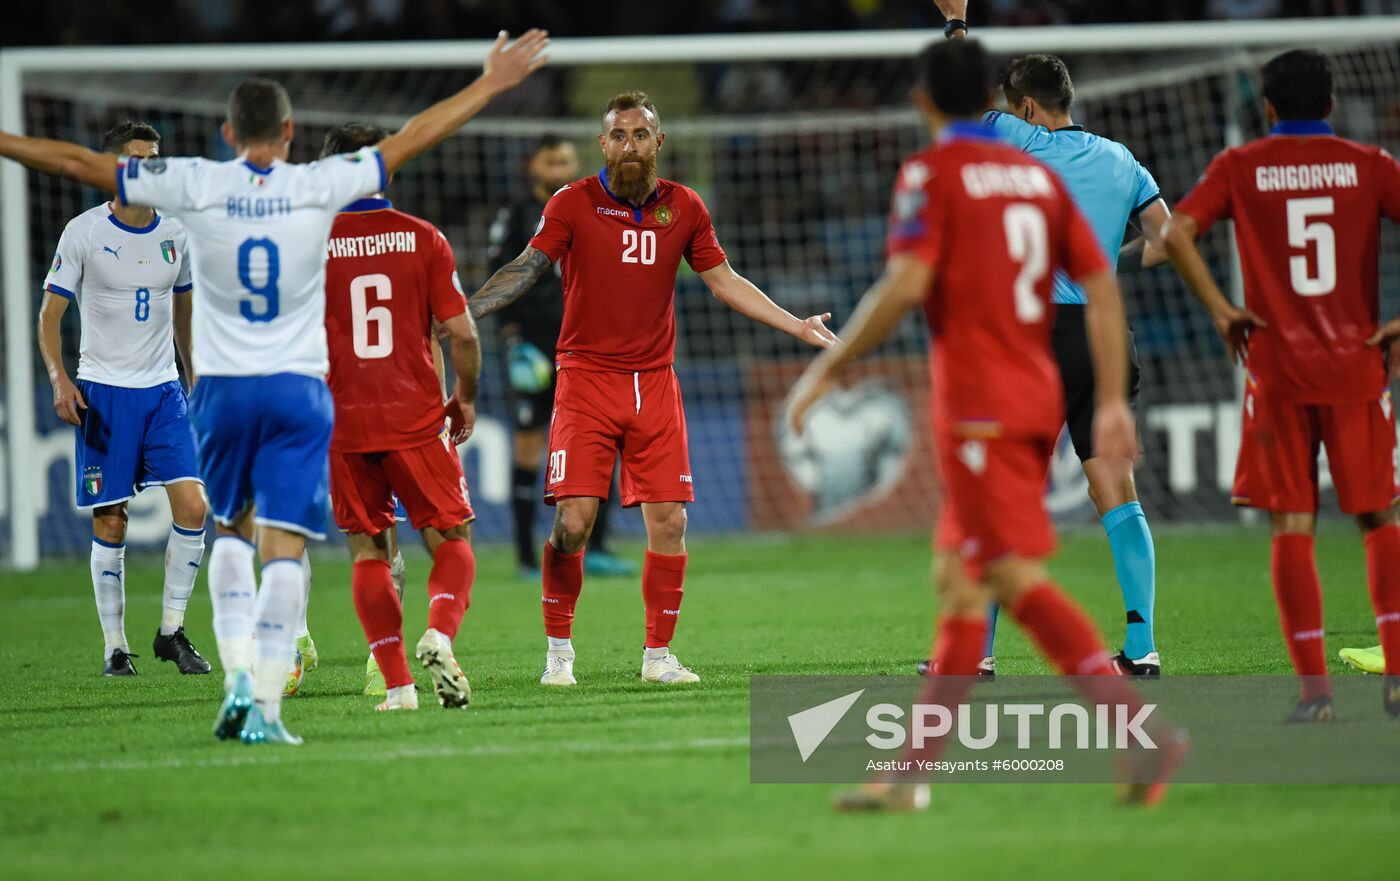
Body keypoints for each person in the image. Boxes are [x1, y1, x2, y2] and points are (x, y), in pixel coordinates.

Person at [0, 28, 549, 744]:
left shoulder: (197, 181)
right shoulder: (317, 186)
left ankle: (235, 679)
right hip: (297, 393)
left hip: (222, 391)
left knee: (229, 530)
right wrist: (491, 82)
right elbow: (418, 133)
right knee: (286, 541)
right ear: (290, 132)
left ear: (229, 133)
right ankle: (265, 703)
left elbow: (75, 161)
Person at [788, 38, 1187, 812]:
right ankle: (911, 778)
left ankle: (1142, 733)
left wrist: (825, 371)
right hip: (1037, 385)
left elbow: (906, 282)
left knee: (1000, 572)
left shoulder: (931, 173)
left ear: (924, 103)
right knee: (961, 578)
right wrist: (1107, 399)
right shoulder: (1041, 179)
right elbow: (1103, 286)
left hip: (982, 402)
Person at [470, 91, 838, 687]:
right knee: (573, 523)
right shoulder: (573, 202)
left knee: (669, 522)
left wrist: (796, 324)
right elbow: (527, 266)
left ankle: (658, 657)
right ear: (603, 144)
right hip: (585, 380)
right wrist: (464, 312)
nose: (629, 146)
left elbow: (724, 281)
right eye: (618, 135)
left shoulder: (685, 208)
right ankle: (559, 654)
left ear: (658, 143)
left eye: (640, 135)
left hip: (655, 385)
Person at [928, 0, 1171, 677]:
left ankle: (975, 655)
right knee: (1116, 492)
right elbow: (1167, 239)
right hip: (1101, 336)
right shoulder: (1123, 159)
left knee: (1003, 495)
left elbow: (957, 92)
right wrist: (1101, 256)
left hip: (1031, 338)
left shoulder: (1013, 136)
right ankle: (1142, 645)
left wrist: (955, 22)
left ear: (1028, 109)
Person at [1162, 48, 1400, 721]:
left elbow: (1178, 232)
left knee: (1291, 525)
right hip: (1358, 366)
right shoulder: (1371, 166)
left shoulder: (1240, 167)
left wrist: (1221, 309)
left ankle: (1316, 694)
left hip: (1277, 372)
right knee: (1379, 517)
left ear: (1266, 108)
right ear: (1329, 104)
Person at [37, 121, 210, 678]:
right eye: (137, 159)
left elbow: (182, 307)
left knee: (194, 507)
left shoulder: (177, 233)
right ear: (114, 168)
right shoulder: (83, 232)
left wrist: (194, 371)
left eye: (155, 159)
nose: (148, 168)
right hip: (104, 394)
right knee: (111, 521)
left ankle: (170, 632)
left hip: (163, 392)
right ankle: (115, 646)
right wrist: (61, 380)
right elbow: (50, 315)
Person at [320, 121, 481, 712]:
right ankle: (439, 632)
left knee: (368, 551)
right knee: (450, 538)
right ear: (390, 169)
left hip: (344, 418)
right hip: (415, 416)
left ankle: (397, 688)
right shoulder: (423, 238)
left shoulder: (308, 242)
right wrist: (463, 394)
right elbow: (460, 333)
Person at [487, 134, 636, 579]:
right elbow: (503, 278)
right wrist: (512, 340)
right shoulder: (515, 216)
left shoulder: (593, 207)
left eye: (567, 160)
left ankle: (601, 547)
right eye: (553, 160)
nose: (560, 168)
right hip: (532, 346)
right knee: (530, 445)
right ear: (535, 164)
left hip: (585, 347)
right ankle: (525, 557)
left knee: (603, 440)